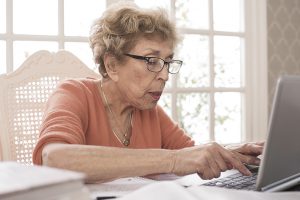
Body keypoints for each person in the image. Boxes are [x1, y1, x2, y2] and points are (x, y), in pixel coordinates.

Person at [32, 2, 264, 183]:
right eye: (152, 60)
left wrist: (227, 153)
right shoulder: (73, 93)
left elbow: (190, 154)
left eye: (168, 62)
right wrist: (172, 160)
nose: (164, 75)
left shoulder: (147, 109)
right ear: (112, 65)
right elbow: (55, 158)